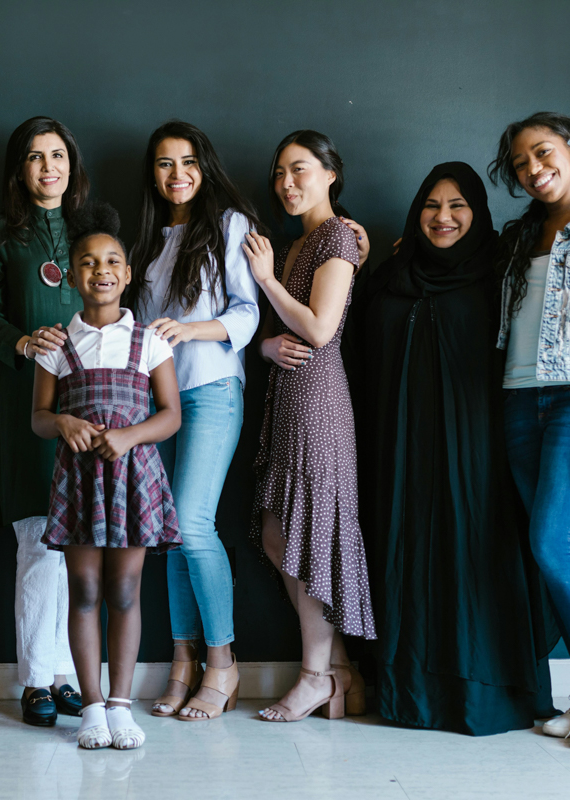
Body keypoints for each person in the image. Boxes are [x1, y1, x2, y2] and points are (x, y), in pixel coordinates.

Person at [348, 162, 559, 735]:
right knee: (408, 554)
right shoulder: (391, 274)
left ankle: (485, 691)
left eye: (457, 205)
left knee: (477, 559)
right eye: (431, 206)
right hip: (400, 449)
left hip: (478, 448)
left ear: (478, 212)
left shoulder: (501, 269)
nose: (442, 217)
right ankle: (409, 692)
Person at [33, 202, 182, 749]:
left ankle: (121, 704)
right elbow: (39, 418)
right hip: (78, 483)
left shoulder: (150, 341)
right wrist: (63, 422)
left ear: (126, 273)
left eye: (113, 261)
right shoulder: (56, 345)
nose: (101, 270)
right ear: (71, 275)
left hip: (133, 480)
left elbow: (170, 415)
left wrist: (128, 436)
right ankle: (90, 705)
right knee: (86, 589)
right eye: (89, 262)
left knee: (124, 590)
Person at [126, 120, 259, 721]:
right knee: (170, 532)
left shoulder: (230, 226)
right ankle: (181, 662)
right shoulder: (150, 240)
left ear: (204, 166)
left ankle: (223, 664)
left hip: (212, 388)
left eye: (187, 162)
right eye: (163, 164)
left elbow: (247, 314)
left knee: (194, 522)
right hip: (164, 401)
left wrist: (190, 329)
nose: (176, 174)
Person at [245, 129, 375, 723]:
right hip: (288, 398)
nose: (287, 183)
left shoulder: (339, 237)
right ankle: (339, 669)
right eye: (280, 173)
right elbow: (291, 332)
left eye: (299, 169)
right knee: (281, 537)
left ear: (330, 173)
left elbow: (322, 331)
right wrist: (268, 346)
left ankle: (315, 677)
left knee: (309, 540)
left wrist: (268, 279)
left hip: (320, 402)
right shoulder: (300, 245)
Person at [0, 117, 87, 726]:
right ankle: (36, 680)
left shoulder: (94, 231)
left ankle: (66, 672)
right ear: (21, 169)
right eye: (37, 157)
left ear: (73, 164)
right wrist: (21, 342)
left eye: (59, 155)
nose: (49, 167)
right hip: (27, 405)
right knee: (41, 540)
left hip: (90, 403)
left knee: (78, 547)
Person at [489, 111, 570, 740]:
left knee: (552, 543)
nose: (533, 170)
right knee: (537, 550)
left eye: (542, 153)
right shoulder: (522, 235)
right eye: (521, 163)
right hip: (519, 400)